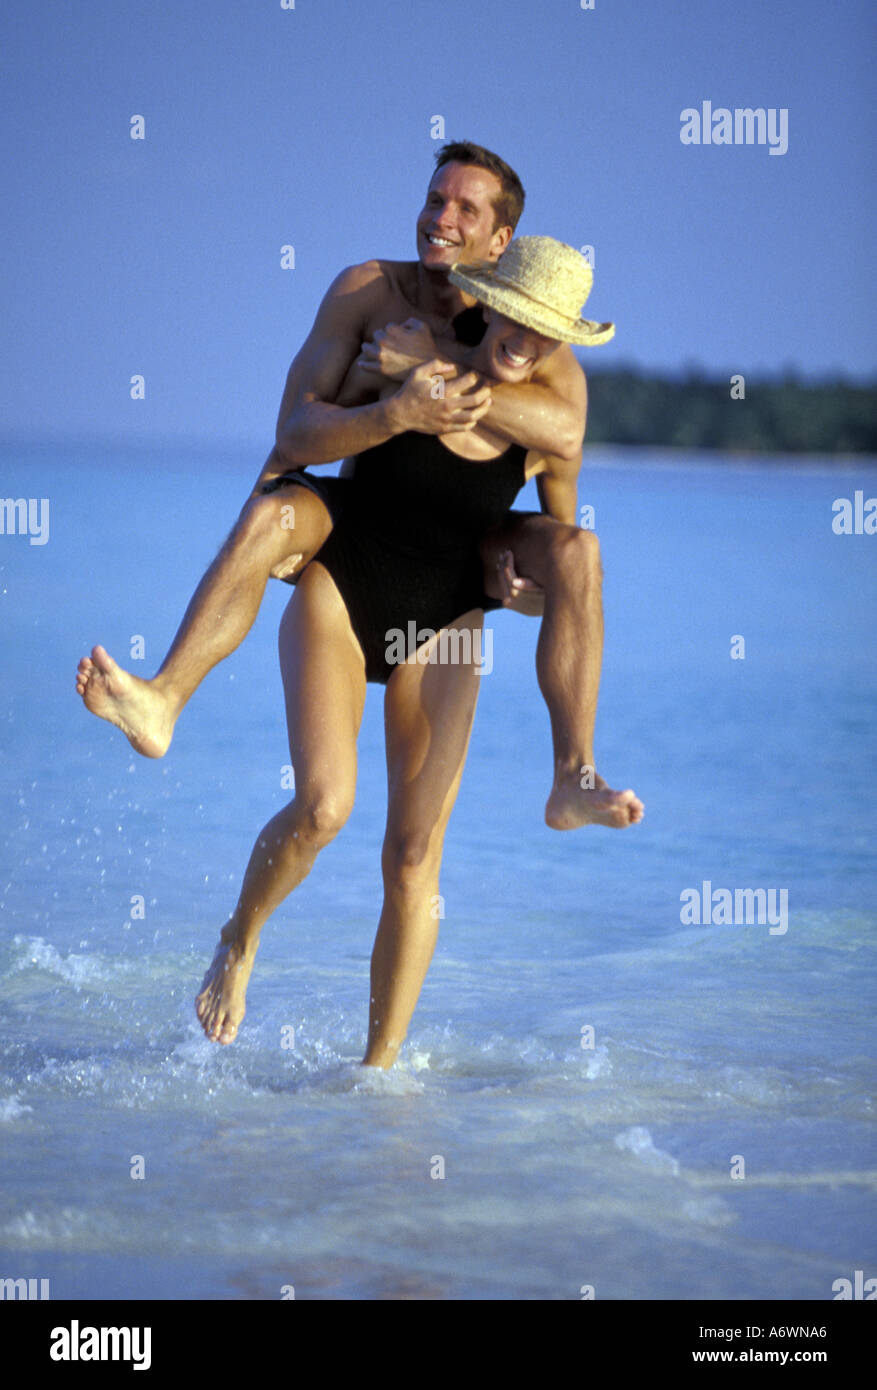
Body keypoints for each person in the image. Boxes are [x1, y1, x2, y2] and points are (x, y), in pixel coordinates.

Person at [76, 141, 638, 829]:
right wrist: (395, 408)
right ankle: (162, 700)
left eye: (466, 208)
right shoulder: (369, 292)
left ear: (500, 240)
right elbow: (295, 436)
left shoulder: (542, 356)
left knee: (579, 551)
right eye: (436, 199)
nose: (442, 218)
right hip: (356, 540)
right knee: (322, 803)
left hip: (457, 577)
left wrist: (430, 364)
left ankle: (572, 775)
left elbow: (565, 460)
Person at [194, 235, 642, 1067]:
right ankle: (241, 934)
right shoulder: (399, 349)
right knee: (322, 809)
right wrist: (280, 515)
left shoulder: (547, 415)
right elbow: (307, 438)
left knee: (412, 855)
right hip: (350, 585)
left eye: (548, 330)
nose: (526, 338)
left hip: (446, 621)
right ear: (489, 300)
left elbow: (562, 574)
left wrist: (523, 590)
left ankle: (378, 1076)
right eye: (517, 315)